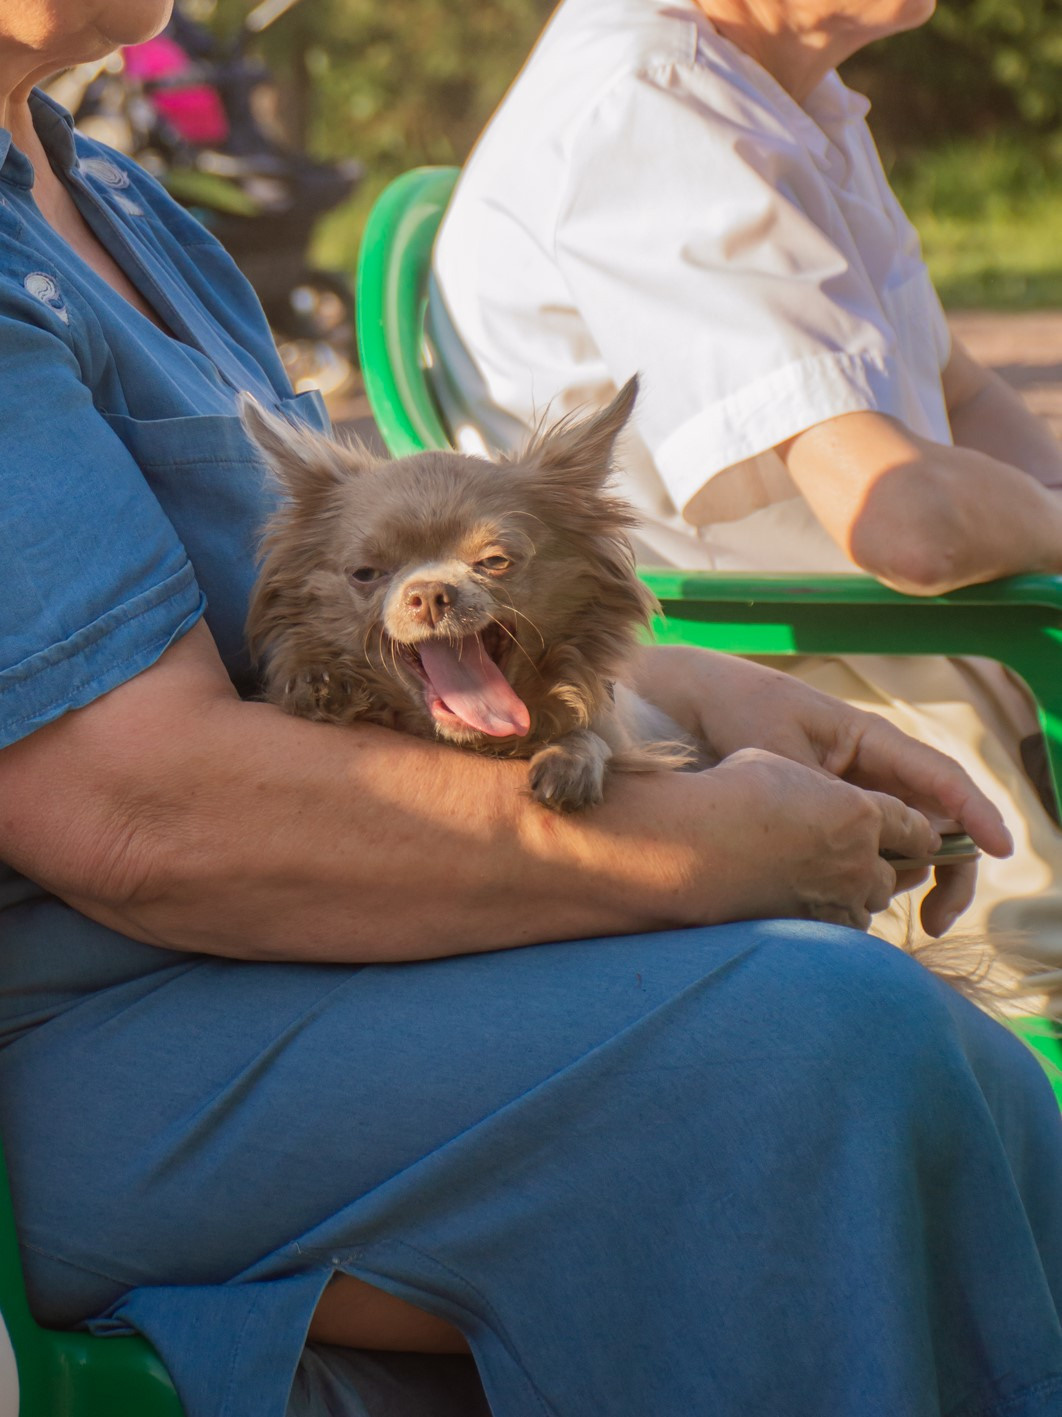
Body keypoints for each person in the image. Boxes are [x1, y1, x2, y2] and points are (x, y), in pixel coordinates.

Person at [0, 3, 1060, 1416]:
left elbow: (331, 606)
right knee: (817, 1044)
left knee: (936, 1057)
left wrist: (694, 688)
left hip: (293, 955)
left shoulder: (126, 203)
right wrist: (690, 846)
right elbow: (134, 816)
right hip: (91, 1046)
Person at [428, 0, 1062, 972]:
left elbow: (960, 390)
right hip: (829, 682)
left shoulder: (783, 90)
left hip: (934, 646)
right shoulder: (652, 107)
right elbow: (906, 522)